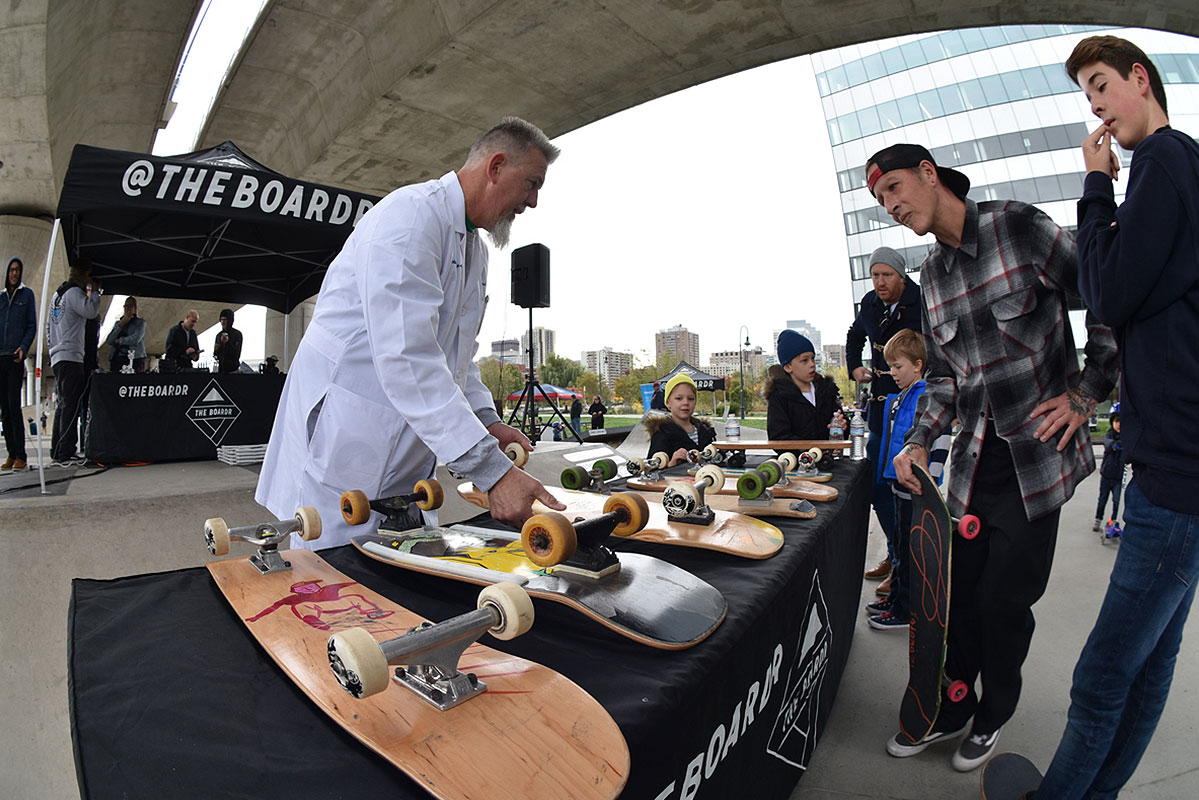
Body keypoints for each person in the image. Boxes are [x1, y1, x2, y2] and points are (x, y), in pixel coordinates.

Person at [873, 142, 1120, 772]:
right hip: (973, 465)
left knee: (1005, 601)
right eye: (880, 200)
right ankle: (952, 706)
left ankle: (993, 711)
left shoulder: (1020, 227)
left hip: (1037, 459)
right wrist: (918, 441)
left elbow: (1106, 296)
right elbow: (946, 383)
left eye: (897, 188)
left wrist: (1086, 394)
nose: (892, 206)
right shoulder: (933, 277)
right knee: (958, 598)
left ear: (930, 175)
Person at [256, 116, 565, 550]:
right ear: (495, 166)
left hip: (403, 440)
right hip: (348, 436)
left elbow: (456, 356)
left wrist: (487, 422)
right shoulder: (410, 219)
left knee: (399, 561)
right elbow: (408, 358)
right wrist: (492, 471)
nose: (532, 201)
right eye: (531, 183)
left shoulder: (472, 246)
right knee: (334, 578)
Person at [1027, 36, 1199, 799]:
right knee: (1148, 662)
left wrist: (1095, 188)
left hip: (1175, 473)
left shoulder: (1162, 160)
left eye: (1100, 85)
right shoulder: (1184, 169)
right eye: (1084, 93)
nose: (1093, 105)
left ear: (1139, 79)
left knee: (1101, 673)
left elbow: (1106, 295)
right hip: (1180, 462)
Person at [845, 246, 923, 592]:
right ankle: (895, 555)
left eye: (886, 275)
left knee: (908, 492)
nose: (879, 282)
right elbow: (854, 335)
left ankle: (909, 567)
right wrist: (854, 367)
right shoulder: (870, 303)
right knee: (878, 485)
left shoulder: (921, 303)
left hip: (914, 410)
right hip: (879, 411)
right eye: (875, 275)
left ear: (901, 276)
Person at [864, 328, 950, 632]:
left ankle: (905, 610)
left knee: (911, 553)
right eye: (890, 367)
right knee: (900, 548)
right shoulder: (902, 396)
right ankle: (897, 598)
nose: (892, 373)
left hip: (914, 488)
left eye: (898, 366)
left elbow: (940, 439)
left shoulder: (928, 396)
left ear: (918, 364)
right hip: (897, 484)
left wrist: (930, 479)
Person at [48, 261, 102, 466]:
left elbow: (48, 327)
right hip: (71, 355)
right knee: (71, 404)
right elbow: (90, 312)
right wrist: (95, 293)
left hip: (57, 355)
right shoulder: (73, 294)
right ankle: (67, 450)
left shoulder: (56, 296)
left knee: (63, 404)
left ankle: (57, 448)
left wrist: (52, 347)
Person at [765, 329, 842, 450]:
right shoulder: (779, 396)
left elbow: (840, 425)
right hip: (797, 463)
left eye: (812, 358)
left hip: (830, 460)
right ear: (788, 367)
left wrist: (843, 425)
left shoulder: (826, 390)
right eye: (804, 360)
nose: (812, 364)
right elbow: (778, 438)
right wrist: (810, 451)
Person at [0, 257, 35, 471]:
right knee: (4, 409)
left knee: (14, 406)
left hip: (15, 357)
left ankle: (21, 455)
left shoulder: (27, 295)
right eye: (11, 270)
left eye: (17, 270)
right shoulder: (1, 298)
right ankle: (11, 454)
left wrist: (23, 347)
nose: (14, 273)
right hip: (0, 357)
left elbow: (31, 325)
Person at [646, 373, 716, 466]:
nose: (686, 402)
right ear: (668, 402)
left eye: (691, 399)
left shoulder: (705, 431)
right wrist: (672, 463)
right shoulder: (662, 433)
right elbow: (651, 469)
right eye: (679, 398)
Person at [1093, 404, 1125, 533]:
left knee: (1116, 501)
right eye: (1117, 421)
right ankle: (1098, 519)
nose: (1119, 425)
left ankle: (1113, 521)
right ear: (1112, 422)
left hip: (1118, 477)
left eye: (1122, 422)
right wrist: (1115, 445)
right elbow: (1107, 444)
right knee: (1102, 499)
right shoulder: (1109, 436)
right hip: (1106, 475)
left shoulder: (1126, 438)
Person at [105, 296, 146, 373]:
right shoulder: (118, 323)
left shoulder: (140, 323)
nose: (128, 308)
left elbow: (135, 339)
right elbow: (109, 340)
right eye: (126, 306)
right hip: (118, 358)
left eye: (130, 306)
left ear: (135, 308)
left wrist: (120, 341)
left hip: (135, 358)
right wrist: (121, 325)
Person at [213, 308, 243, 374]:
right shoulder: (218, 335)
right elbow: (215, 355)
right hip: (221, 370)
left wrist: (227, 342)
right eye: (221, 320)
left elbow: (236, 355)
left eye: (225, 320)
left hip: (233, 371)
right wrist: (217, 349)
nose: (223, 322)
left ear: (230, 320)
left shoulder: (237, 334)